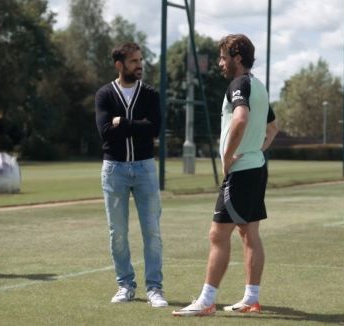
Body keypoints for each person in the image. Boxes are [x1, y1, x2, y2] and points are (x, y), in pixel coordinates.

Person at [173, 34, 271, 317]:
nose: (220, 63)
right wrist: (256, 149)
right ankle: (251, 298)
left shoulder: (238, 84)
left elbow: (240, 118)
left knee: (218, 234)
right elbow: (273, 126)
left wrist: (228, 158)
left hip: (241, 172)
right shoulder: (259, 87)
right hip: (256, 168)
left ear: (237, 59)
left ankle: (206, 301)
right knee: (249, 233)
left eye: (223, 57)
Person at [94, 42, 167, 308]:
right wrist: (135, 127)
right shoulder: (104, 94)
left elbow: (154, 129)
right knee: (118, 233)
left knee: (152, 231)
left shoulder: (149, 93)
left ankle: (154, 288)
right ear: (119, 65)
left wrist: (122, 123)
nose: (140, 65)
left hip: (145, 168)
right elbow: (105, 133)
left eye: (140, 60)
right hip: (114, 170)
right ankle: (125, 285)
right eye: (134, 61)